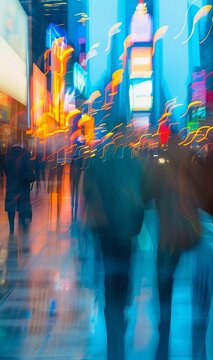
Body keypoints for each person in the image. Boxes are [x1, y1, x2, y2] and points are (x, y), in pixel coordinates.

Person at [83, 134, 144, 360]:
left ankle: (113, 316)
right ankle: (120, 306)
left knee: (110, 275)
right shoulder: (132, 161)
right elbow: (143, 195)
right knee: (124, 270)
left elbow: (88, 192)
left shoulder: (99, 161)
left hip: (106, 230)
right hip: (125, 230)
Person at [141, 134, 202, 359]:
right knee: (192, 280)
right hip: (190, 231)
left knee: (164, 279)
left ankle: (164, 325)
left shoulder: (161, 163)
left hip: (169, 234)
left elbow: (146, 194)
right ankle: (194, 328)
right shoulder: (192, 161)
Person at [4, 142, 36, 235]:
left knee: (11, 207)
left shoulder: (7, 157)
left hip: (11, 185)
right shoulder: (24, 156)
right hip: (22, 186)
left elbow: (5, 171)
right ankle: (22, 225)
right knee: (22, 205)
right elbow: (30, 170)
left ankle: (11, 228)